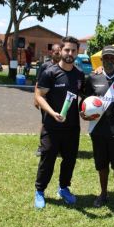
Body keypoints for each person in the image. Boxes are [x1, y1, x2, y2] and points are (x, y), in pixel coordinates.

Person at [80, 46, 114, 216]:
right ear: (101, 60)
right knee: (101, 166)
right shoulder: (93, 78)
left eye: (113, 58)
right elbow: (85, 101)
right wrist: (83, 113)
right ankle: (103, 193)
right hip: (98, 131)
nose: (109, 61)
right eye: (106, 58)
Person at [34, 36, 85, 209]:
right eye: (67, 50)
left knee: (69, 160)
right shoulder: (50, 72)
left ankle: (63, 188)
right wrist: (52, 112)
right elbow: (39, 96)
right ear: (61, 51)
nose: (70, 53)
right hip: (52, 125)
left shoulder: (79, 75)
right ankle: (39, 191)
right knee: (47, 158)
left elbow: (86, 97)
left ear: (78, 52)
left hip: (72, 127)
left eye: (73, 50)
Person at [33, 44, 61, 156]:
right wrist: (36, 99)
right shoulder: (45, 66)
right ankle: (42, 147)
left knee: (59, 122)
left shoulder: (64, 66)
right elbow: (38, 82)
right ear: (52, 53)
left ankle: (58, 147)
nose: (58, 54)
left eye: (60, 52)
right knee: (45, 123)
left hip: (59, 100)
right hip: (45, 99)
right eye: (56, 52)